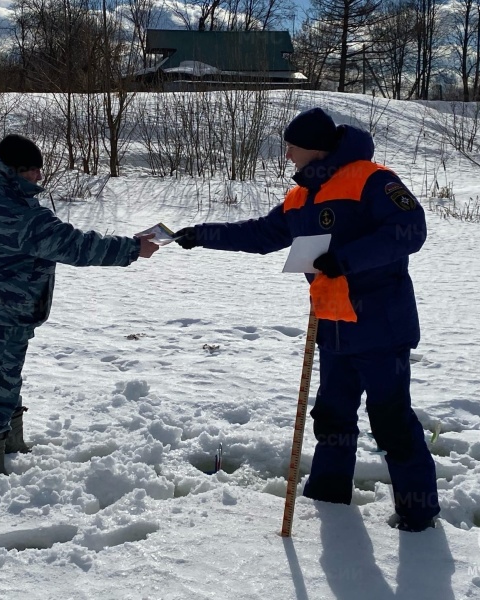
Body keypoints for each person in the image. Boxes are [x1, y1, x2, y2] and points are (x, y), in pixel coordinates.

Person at [173, 107, 439, 532]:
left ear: (314, 147)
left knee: (390, 420)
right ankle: (330, 500)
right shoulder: (301, 196)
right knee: (332, 416)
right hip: (332, 328)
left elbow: (410, 229)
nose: (288, 156)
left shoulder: (372, 179)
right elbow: (261, 234)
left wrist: (345, 259)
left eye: (292, 148)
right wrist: (202, 235)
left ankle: (418, 513)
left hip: (380, 328)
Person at [0, 134, 158, 480]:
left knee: (3, 378)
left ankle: (11, 448)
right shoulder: (15, 210)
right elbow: (74, 246)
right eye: (33, 172)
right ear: (16, 170)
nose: (38, 179)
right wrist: (132, 249)